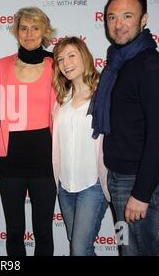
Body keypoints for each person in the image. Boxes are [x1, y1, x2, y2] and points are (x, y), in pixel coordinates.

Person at [91, 0, 159, 256]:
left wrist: (141, 193)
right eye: (112, 17)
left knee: (138, 251)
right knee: (127, 248)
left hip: (138, 180)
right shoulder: (118, 63)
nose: (118, 24)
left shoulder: (152, 65)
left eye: (127, 16)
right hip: (118, 177)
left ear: (144, 19)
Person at [0, 7, 57, 256]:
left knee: (43, 230)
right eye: (23, 28)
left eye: (35, 28)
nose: (29, 34)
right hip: (11, 159)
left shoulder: (57, 66)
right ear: (16, 32)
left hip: (46, 158)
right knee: (15, 230)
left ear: (45, 32)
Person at [52, 37, 110, 256]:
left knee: (79, 248)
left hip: (92, 185)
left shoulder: (103, 94)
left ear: (84, 56)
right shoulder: (61, 98)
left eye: (71, 55)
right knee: (77, 245)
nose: (65, 63)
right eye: (60, 59)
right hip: (65, 186)